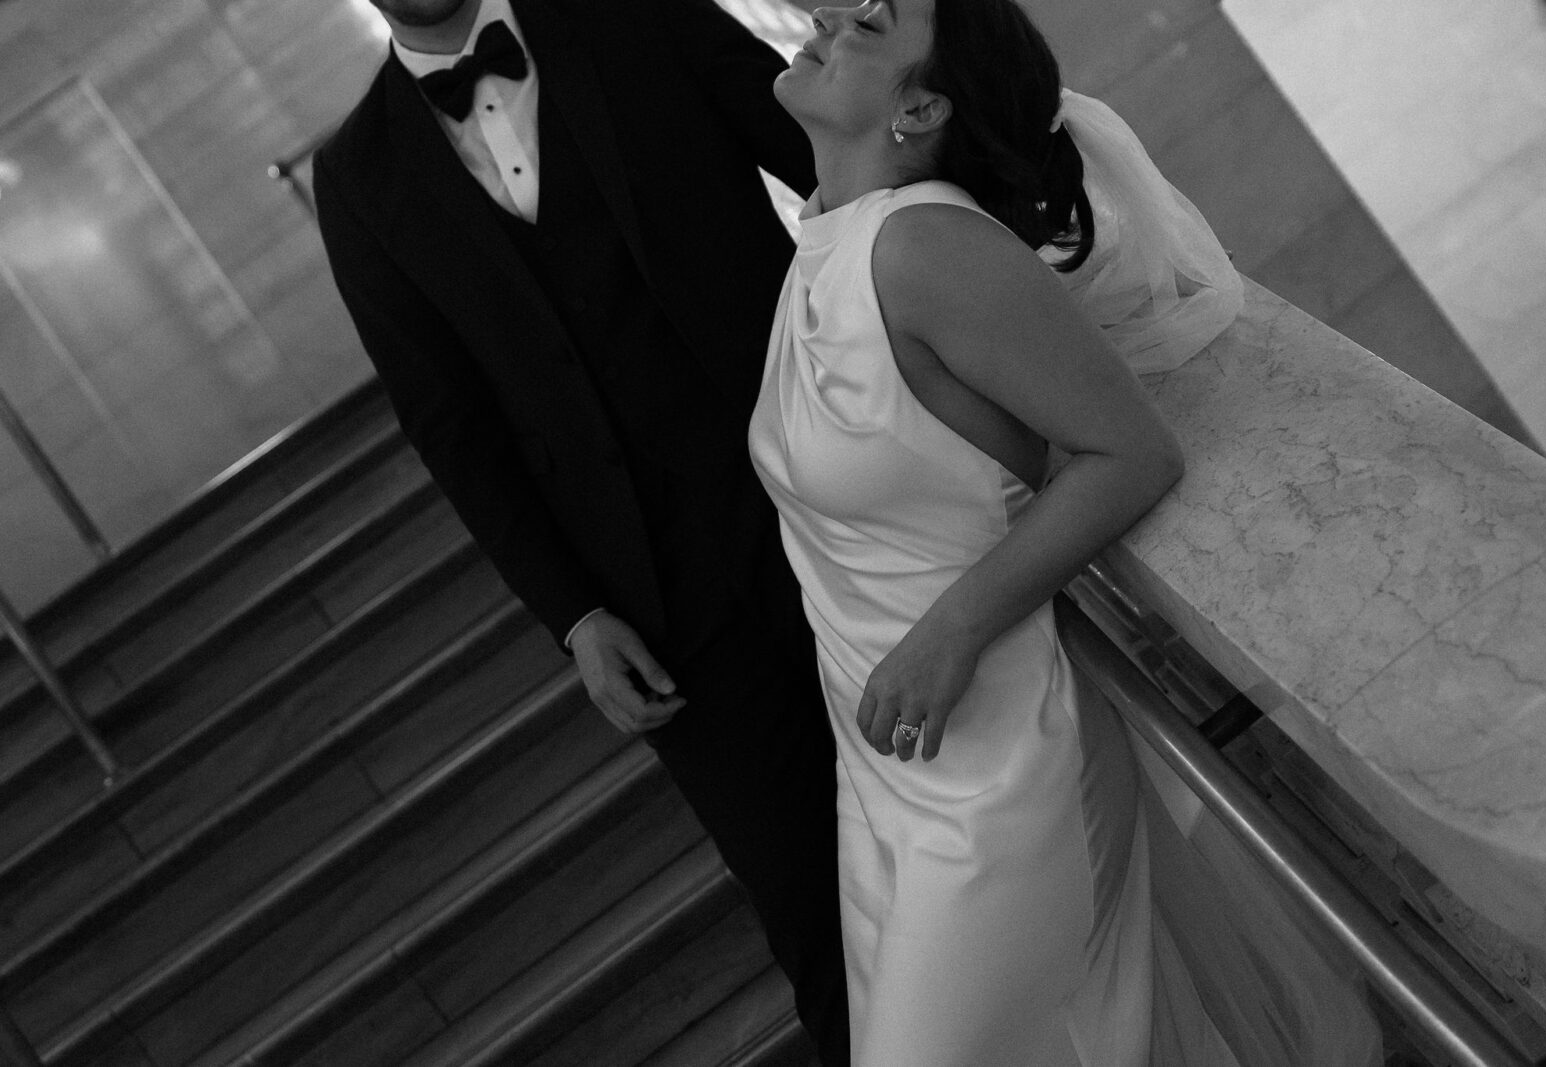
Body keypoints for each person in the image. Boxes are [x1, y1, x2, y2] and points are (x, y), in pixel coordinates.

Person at [311, 0, 849, 1060]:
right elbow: (450, 425)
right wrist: (574, 615)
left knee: (982, 822)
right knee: (813, 913)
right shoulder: (358, 176)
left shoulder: (625, 14)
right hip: (665, 605)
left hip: (841, 497)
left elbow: (822, 149)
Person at [747, 0, 1270, 1063]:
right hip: (890, 772)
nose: (828, 17)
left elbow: (1131, 450)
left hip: (1001, 771)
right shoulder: (829, 238)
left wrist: (951, 627)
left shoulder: (927, 245)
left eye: (869, 25)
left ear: (921, 104)